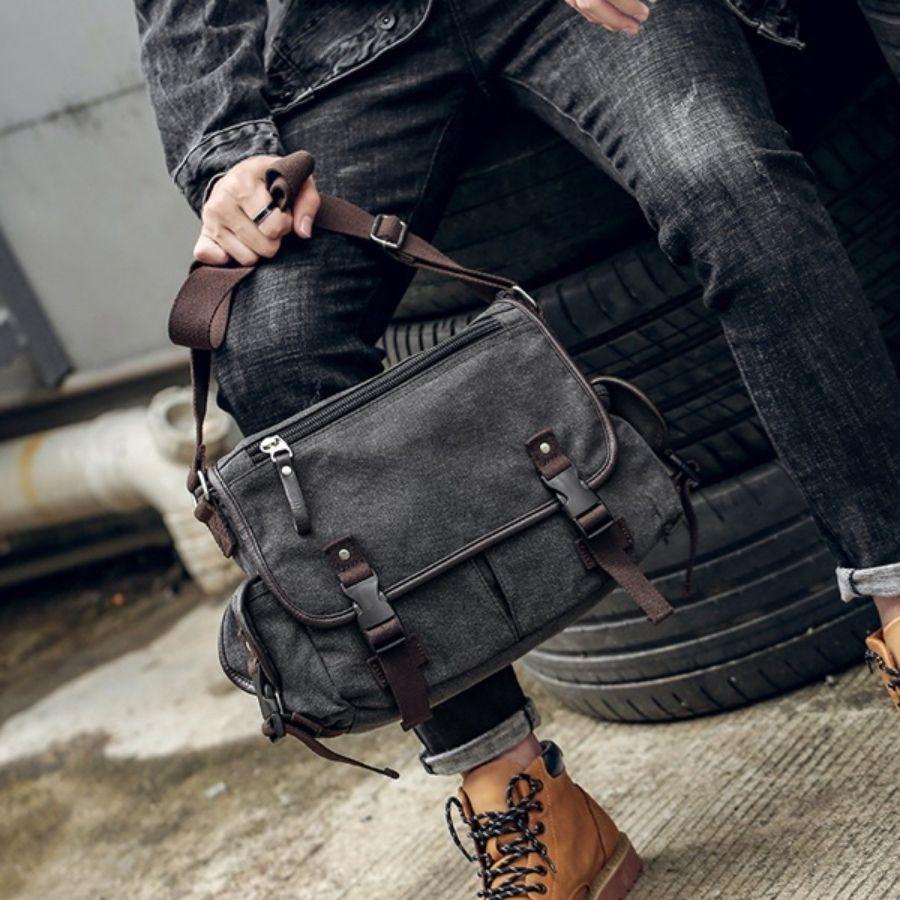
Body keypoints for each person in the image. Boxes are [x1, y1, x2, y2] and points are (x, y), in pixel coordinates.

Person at [135, 0, 900, 896]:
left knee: (723, 177)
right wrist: (224, 153)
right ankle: (517, 790)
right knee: (272, 348)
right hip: (358, 42)